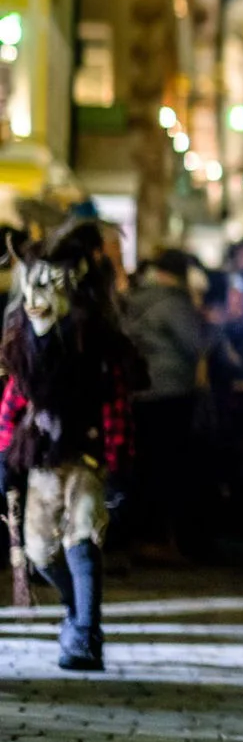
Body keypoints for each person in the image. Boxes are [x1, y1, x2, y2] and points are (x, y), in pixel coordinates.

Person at [0, 221, 139, 670]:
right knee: (40, 551)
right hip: (42, 458)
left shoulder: (97, 346)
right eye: (31, 290)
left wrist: (116, 463)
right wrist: (4, 454)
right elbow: (14, 399)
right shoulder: (26, 346)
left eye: (47, 290)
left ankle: (85, 632)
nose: (36, 302)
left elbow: (115, 404)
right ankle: (77, 614)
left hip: (87, 456)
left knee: (83, 534)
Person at [123, 248, 206, 561]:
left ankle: (146, 536)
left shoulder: (134, 299)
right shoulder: (175, 302)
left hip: (141, 392)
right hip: (172, 391)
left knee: (147, 465)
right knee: (172, 466)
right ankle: (169, 541)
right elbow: (195, 343)